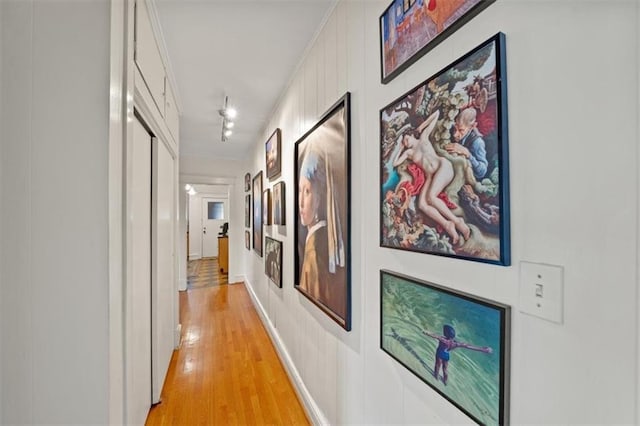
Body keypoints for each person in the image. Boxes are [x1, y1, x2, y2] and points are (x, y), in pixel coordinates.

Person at [393, 109, 470, 244]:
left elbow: (437, 114)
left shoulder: (423, 138)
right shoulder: (409, 153)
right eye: (403, 142)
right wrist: (400, 148)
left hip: (443, 167)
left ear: (411, 135)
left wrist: (420, 128)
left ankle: (458, 222)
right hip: (431, 176)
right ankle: (448, 225)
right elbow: (395, 162)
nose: (405, 143)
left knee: (431, 198)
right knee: (422, 205)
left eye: (405, 139)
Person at [297, 150, 346, 319]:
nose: (301, 202)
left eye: (308, 191)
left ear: (319, 198)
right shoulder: (319, 238)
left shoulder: (315, 249)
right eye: (299, 191)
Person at [423, 324, 492, 385]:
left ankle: (436, 377)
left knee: (437, 366)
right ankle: (445, 381)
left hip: (440, 354)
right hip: (447, 355)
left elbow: (434, 336)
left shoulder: (443, 339)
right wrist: (483, 349)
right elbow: (468, 346)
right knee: (445, 369)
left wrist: (426, 332)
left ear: (446, 333)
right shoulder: (456, 343)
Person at [445, 107, 488, 181]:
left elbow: (482, 171)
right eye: (455, 129)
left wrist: (468, 154)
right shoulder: (451, 128)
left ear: (471, 127)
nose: (455, 134)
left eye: (461, 130)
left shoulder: (477, 142)